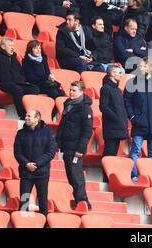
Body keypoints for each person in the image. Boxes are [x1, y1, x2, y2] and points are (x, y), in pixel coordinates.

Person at [124, 57, 152, 182]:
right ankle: (134, 175)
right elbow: (126, 101)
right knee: (136, 150)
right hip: (139, 123)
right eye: (141, 66)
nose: (143, 68)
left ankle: (150, 177)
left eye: (145, 66)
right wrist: (132, 117)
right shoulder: (132, 82)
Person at [56, 81, 93, 210]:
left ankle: (83, 201)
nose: (71, 92)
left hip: (76, 147)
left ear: (81, 92)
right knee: (71, 176)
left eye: (74, 90)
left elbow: (87, 130)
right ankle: (78, 200)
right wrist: (58, 141)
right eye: (70, 90)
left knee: (76, 175)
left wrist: (81, 148)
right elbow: (63, 124)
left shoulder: (85, 108)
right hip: (66, 146)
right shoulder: (68, 104)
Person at [0, 38, 40, 119]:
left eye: (13, 46)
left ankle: (33, 114)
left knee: (35, 89)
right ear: (3, 46)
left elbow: (21, 73)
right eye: (10, 45)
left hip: (16, 83)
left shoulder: (14, 58)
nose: (12, 47)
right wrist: (0, 78)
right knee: (17, 89)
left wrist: (22, 80)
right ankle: (23, 115)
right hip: (2, 84)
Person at [14, 109, 56, 216]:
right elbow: (17, 152)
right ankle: (22, 224)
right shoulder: (20, 133)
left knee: (42, 201)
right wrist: (26, 164)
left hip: (42, 173)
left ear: (37, 118)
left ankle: (44, 224)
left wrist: (37, 164)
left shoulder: (48, 132)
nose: (26, 118)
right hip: (26, 173)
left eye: (29, 116)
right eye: (26, 116)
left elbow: (51, 152)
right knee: (24, 202)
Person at [99, 65, 127, 182]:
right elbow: (103, 107)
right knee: (109, 152)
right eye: (118, 73)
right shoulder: (105, 88)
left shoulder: (118, 90)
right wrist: (116, 118)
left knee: (113, 154)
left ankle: (109, 177)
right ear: (111, 74)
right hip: (111, 126)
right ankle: (105, 178)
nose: (121, 75)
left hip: (118, 126)